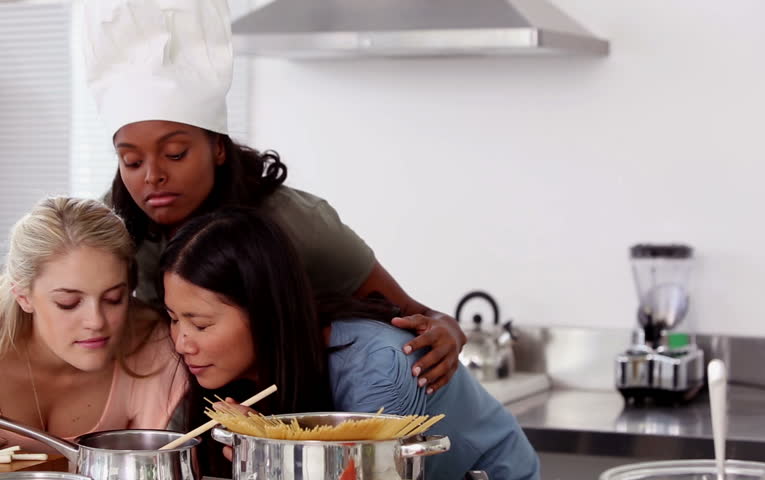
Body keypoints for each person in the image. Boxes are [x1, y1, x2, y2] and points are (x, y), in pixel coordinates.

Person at [82, 0, 465, 394]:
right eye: (130, 160)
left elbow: (410, 314)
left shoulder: (297, 223)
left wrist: (446, 327)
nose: (153, 176)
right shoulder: (113, 228)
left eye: (176, 153)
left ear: (217, 147)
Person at [160, 209, 540, 479]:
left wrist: (273, 456)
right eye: (175, 318)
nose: (181, 342)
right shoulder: (236, 373)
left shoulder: (380, 366)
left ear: (264, 311)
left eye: (200, 324)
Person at [0, 197, 186, 453]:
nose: (96, 322)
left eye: (114, 299)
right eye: (69, 302)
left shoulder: (154, 346)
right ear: (23, 296)